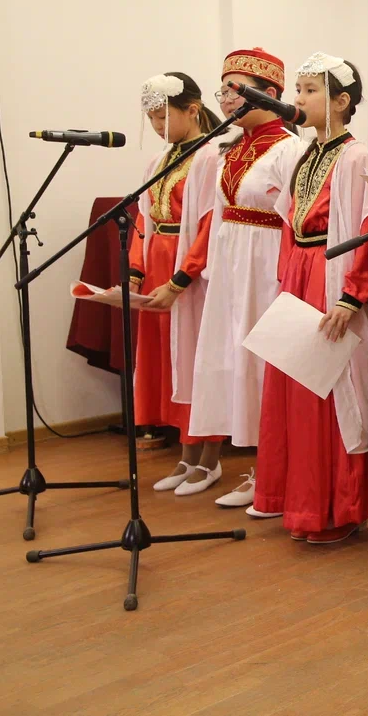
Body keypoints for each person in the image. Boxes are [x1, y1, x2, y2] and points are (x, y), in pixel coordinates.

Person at [252, 53, 368, 543]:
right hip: (300, 274)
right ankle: (304, 503)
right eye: (299, 89)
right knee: (298, 392)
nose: (299, 99)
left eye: (311, 90)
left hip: (334, 278)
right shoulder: (303, 154)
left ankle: (342, 508)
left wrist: (352, 296)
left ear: (341, 100)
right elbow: (288, 219)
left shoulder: (357, 157)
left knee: (335, 391)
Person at [184, 47, 303, 508]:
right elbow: (218, 214)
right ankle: (251, 464)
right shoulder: (229, 148)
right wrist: (215, 270)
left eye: (237, 91)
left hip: (266, 264)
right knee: (231, 356)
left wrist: (287, 275)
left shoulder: (290, 148)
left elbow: (296, 217)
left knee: (262, 362)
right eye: (224, 92)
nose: (227, 101)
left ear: (270, 94)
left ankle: (272, 470)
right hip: (233, 265)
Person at [132, 73, 223, 488]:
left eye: (163, 117)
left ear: (192, 110)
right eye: (151, 119)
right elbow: (142, 220)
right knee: (168, 362)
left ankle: (209, 457)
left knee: (196, 359)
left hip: (190, 271)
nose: (157, 126)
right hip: (158, 261)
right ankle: (186, 456)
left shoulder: (211, 156)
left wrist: (181, 278)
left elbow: (209, 224)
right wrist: (135, 271)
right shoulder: (158, 162)